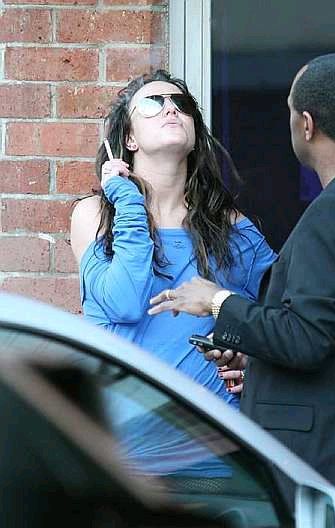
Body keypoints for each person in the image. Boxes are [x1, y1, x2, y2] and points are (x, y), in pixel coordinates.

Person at [149, 54, 335, 516]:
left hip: (330, 478)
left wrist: (218, 301)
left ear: (306, 124)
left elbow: (306, 339)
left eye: (289, 110)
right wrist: (257, 361)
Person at [71, 70, 276, 412]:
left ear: (195, 136)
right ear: (129, 139)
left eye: (181, 104)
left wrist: (251, 358)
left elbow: (284, 320)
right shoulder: (95, 215)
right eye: (153, 103)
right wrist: (129, 201)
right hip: (123, 436)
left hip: (214, 432)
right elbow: (125, 302)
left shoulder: (229, 224)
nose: (171, 109)